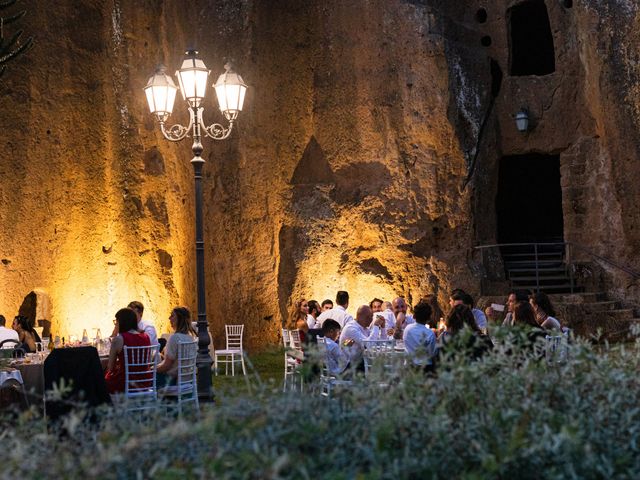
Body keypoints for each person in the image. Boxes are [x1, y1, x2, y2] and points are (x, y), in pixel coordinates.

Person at [105, 307, 151, 394]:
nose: (115, 324)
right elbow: (147, 362)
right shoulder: (146, 336)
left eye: (116, 321)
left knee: (100, 382)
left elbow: (110, 367)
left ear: (121, 322)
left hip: (126, 383)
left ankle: (110, 407)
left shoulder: (119, 339)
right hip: (145, 382)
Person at [157, 306, 197, 386]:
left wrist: (152, 369)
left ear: (179, 319)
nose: (169, 318)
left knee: (145, 379)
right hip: (186, 381)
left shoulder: (175, 338)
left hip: (171, 381)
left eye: (172, 316)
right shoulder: (190, 338)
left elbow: (167, 366)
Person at [338, 305, 384, 371]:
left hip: (357, 363)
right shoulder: (351, 328)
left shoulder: (364, 328)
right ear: (360, 317)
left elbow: (379, 344)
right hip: (347, 366)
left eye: (371, 317)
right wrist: (376, 326)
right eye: (369, 317)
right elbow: (369, 345)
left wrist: (383, 328)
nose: (371, 320)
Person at [403, 301, 437, 372]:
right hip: (424, 368)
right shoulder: (430, 333)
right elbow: (432, 353)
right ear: (429, 318)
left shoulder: (407, 328)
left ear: (414, 316)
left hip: (409, 366)